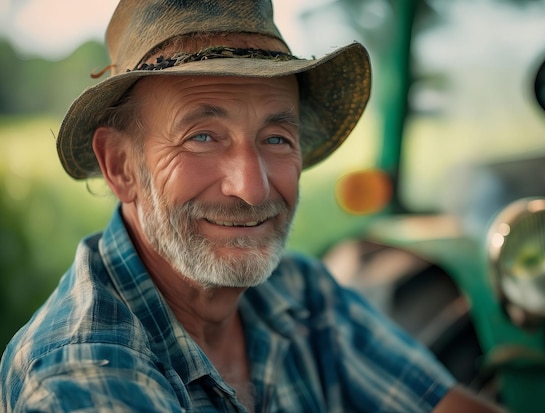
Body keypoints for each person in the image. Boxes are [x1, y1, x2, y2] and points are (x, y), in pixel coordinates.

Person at [0, 1, 504, 412]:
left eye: (276, 138)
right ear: (121, 166)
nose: (253, 189)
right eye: (202, 136)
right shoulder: (82, 373)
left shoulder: (299, 293)